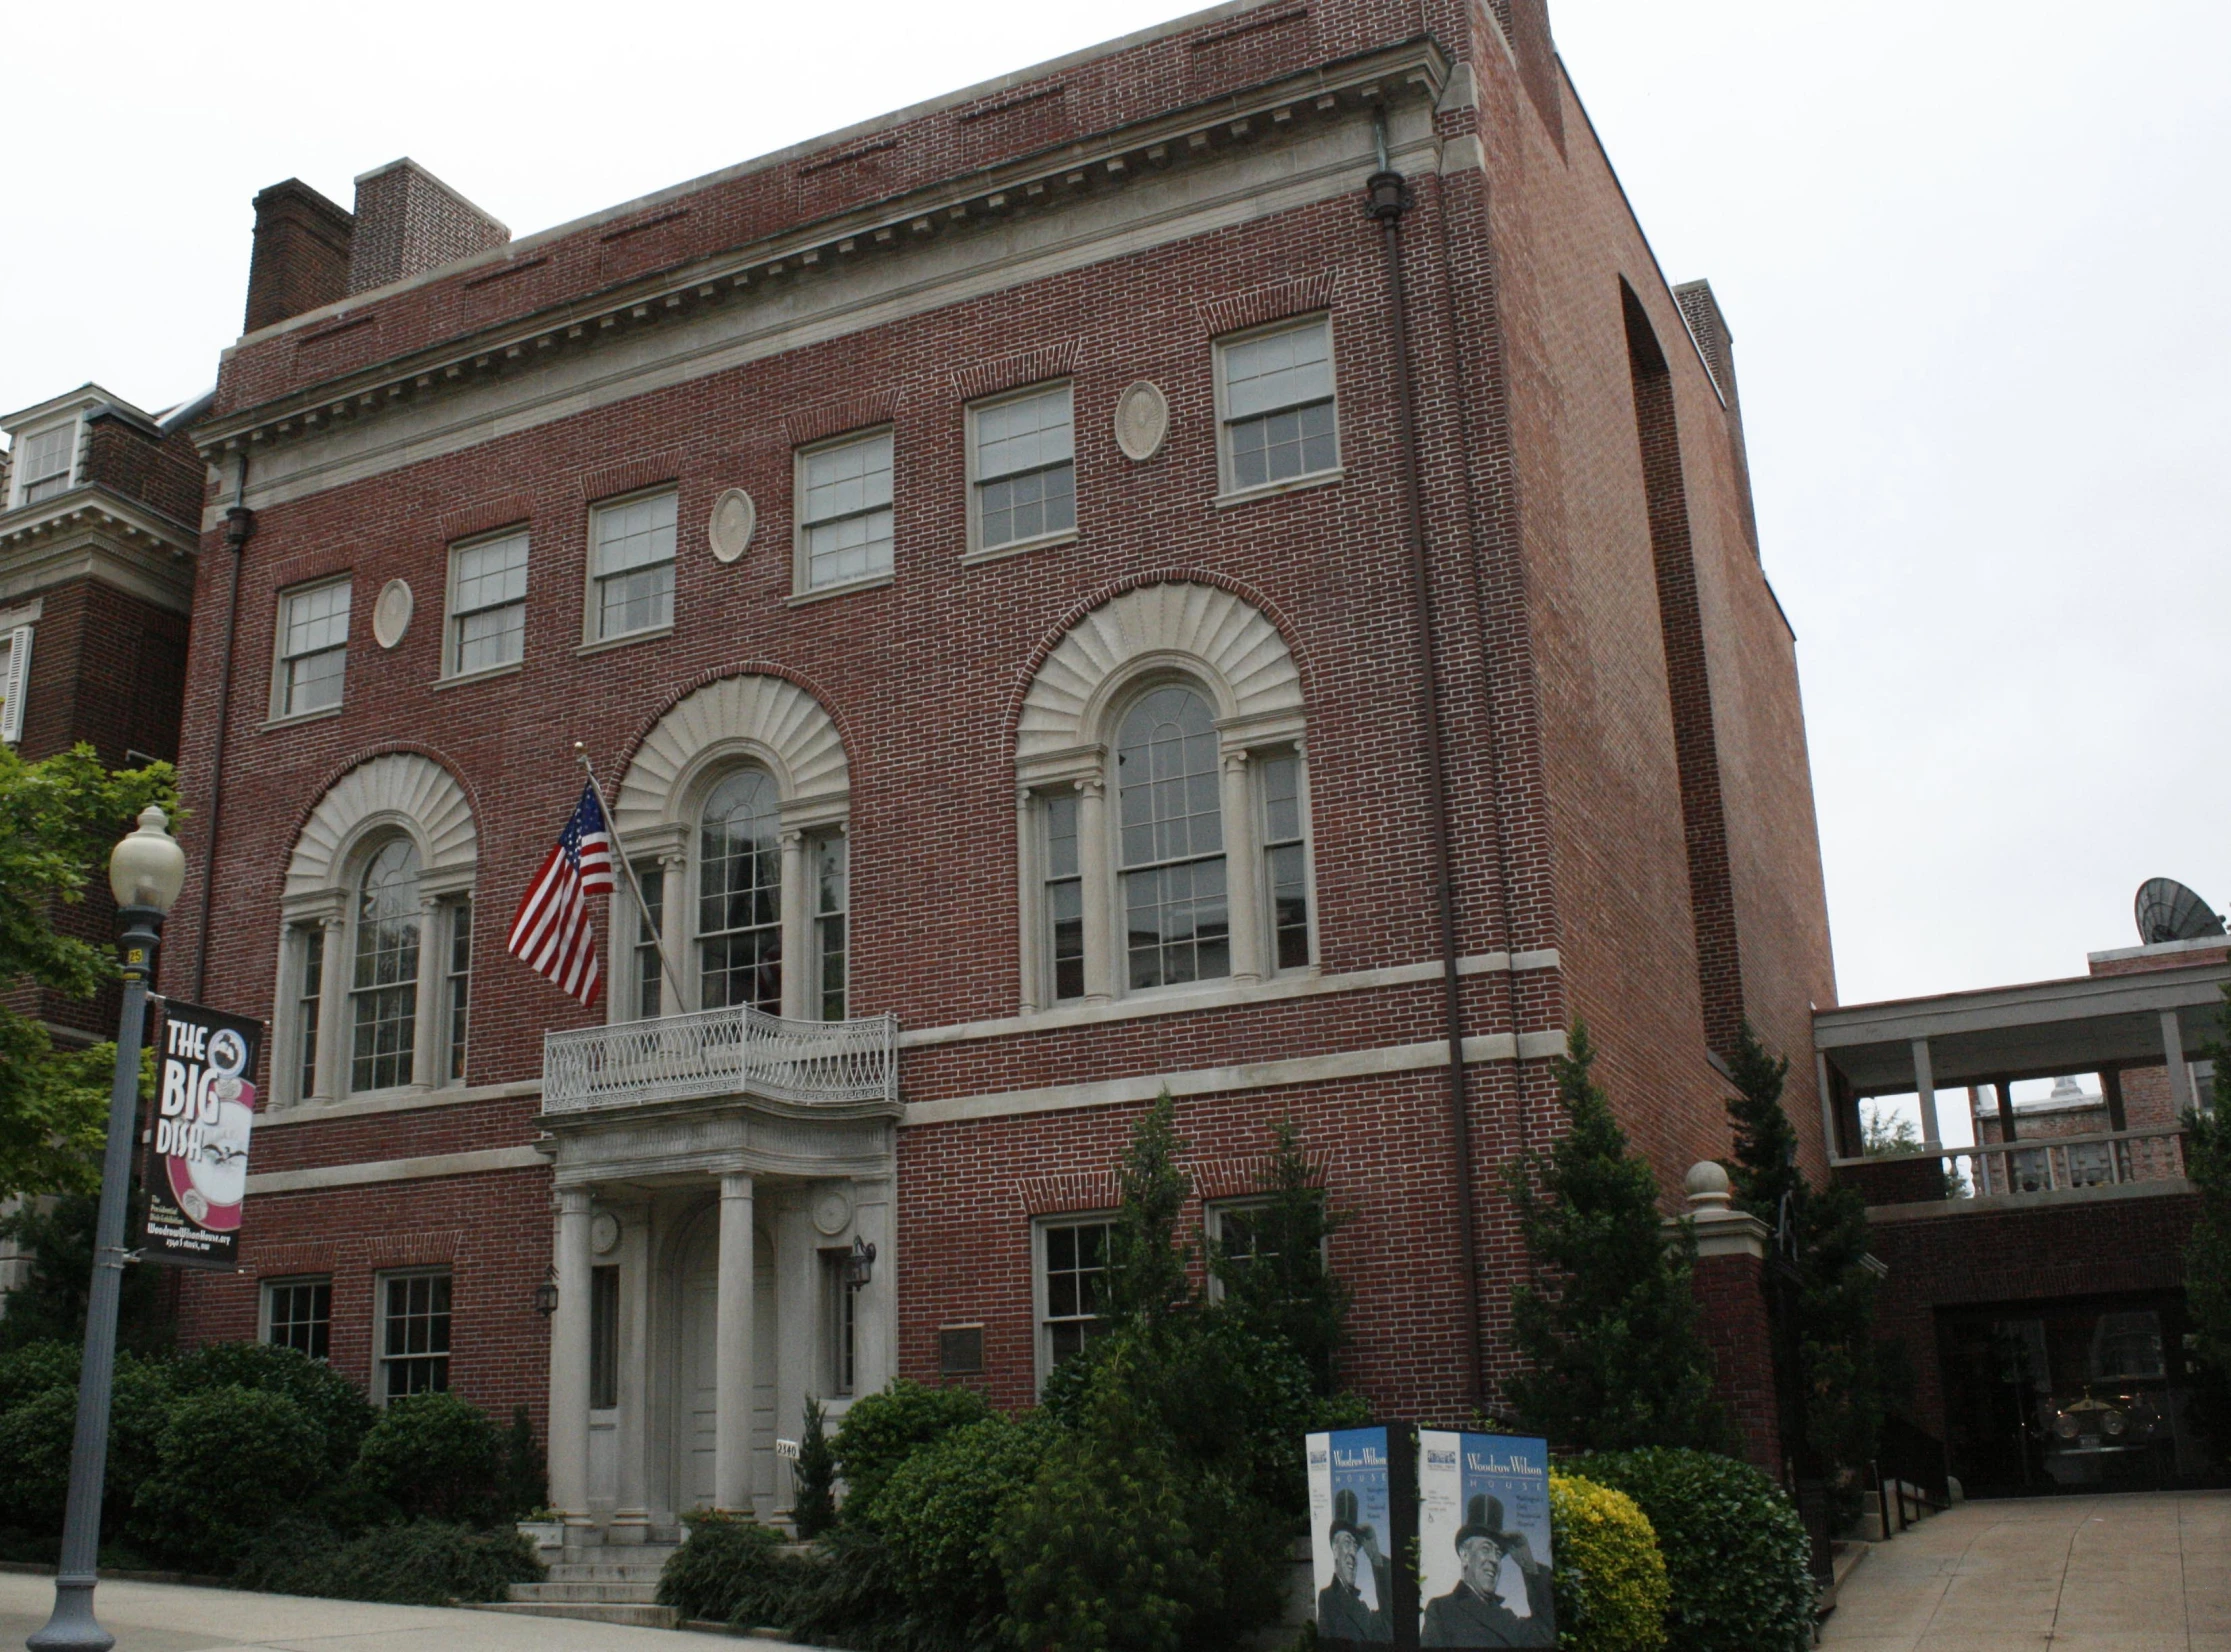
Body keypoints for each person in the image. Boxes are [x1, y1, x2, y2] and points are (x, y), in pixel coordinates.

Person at [1420, 1493, 1554, 1647]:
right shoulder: (1442, 1609)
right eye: (1486, 1549)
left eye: (1498, 1553)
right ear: (1465, 1555)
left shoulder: (1508, 1619)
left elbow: (1546, 1635)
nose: (1494, 1559)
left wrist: (1529, 1565)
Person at [1317, 1487, 1393, 1642]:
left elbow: (1390, 1627)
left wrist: (1375, 1558)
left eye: (1355, 1545)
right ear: (1335, 1548)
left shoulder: (1362, 1608)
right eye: (1347, 1542)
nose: (1353, 1552)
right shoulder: (1328, 1597)